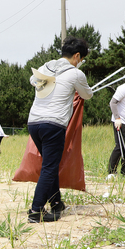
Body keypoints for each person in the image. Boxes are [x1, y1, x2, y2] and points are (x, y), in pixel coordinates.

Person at [26, 37, 93, 223]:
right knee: (49, 167)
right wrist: (76, 76)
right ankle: (35, 211)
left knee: (50, 164)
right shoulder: (75, 74)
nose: (80, 62)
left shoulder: (47, 66)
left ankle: (56, 203)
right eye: (81, 59)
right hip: (53, 124)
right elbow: (87, 94)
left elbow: (33, 80)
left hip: (33, 123)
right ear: (77, 56)